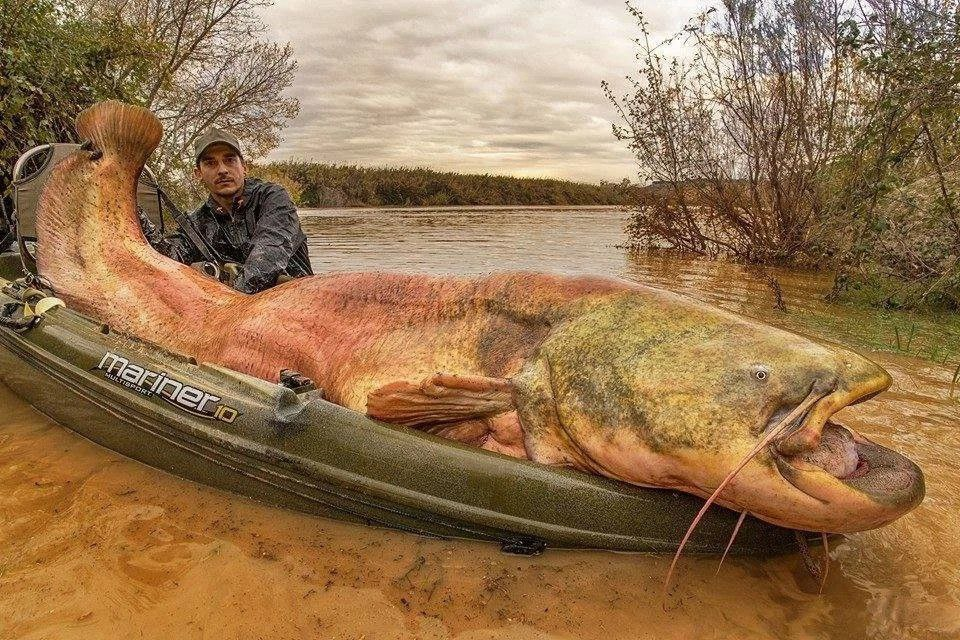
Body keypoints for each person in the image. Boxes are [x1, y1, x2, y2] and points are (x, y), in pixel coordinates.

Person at [150, 128, 313, 294]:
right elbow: (163, 257)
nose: (222, 170)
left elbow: (268, 256)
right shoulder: (195, 224)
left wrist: (231, 303)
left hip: (298, 304)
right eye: (210, 163)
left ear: (244, 167)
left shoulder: (273, 198)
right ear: (198, 174)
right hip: (238, 312)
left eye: (229, 160)